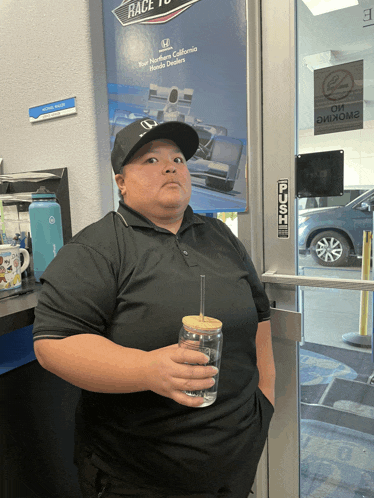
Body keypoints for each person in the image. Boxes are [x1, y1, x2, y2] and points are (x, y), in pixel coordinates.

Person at [33, 118, 276, 498]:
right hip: (140, 474)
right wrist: (148, 370)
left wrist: (265, 403)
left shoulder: (220, 236)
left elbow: (260, 320)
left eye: (178, 159)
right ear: (121, 182)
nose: (170, 166)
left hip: (237, 461)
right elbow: (54, 345)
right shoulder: (95, 249)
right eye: (149, 160)